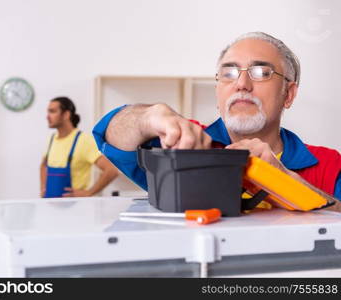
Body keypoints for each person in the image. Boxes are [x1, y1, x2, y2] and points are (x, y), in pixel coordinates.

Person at [92, 32, 341, 211]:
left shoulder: (329, 164)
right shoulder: (185, 146)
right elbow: (111, 135)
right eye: (228, 73)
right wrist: (149, 116)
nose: (241, 84)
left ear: (288, 94)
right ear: (218, 91)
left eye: (261, 73)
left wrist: (283, 180)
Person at [40, 96, 118, 198]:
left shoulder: (84, 141)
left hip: (75, 208)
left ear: (66, 115)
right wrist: (43, 188)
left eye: (52, 111)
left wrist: (89, 192)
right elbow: (43, 166)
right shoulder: (52, 139)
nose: (47, 116)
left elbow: (111, 170)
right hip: (50, 205)